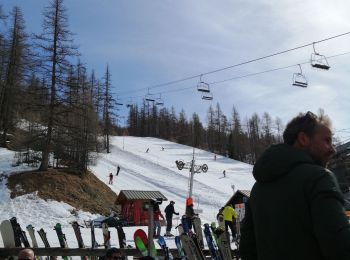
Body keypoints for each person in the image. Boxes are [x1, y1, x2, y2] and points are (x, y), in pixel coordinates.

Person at [240, 111, 350, 260]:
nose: (333, 149)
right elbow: (341, 249)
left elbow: (248, 250)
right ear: (303, 139)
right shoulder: (319, 177)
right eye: (327, 141)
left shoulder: (257, 189)